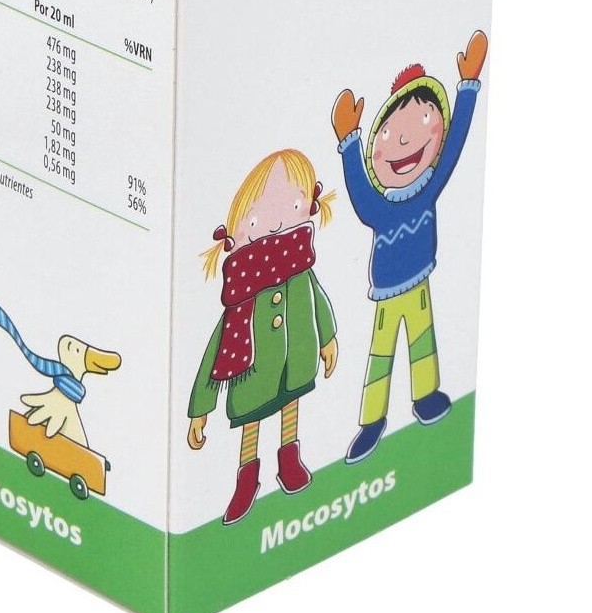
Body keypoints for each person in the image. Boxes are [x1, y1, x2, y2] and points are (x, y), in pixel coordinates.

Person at [332, 29, 487, 464]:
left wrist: (468, 87)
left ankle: (425, 396)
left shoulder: (428, 186)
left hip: (418, 279)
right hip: (388, 289)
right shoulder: (381, 208)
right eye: (388, 134)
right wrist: (350, 143)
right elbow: (360, 197)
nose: (402, 142)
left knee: (423, 340)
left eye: (421, 124)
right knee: (380, 355)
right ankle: (372, 421)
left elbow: (455, 146)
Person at [187, 150, 338, 525]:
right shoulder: (242, 291)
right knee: (251, 425)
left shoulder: (300, 266)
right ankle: (247, 480)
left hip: (295, 363)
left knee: (291, 407)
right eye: (256, 218)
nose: (277, 221)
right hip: (254, 376)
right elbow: (216, 348)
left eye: (294, 204)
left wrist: (328, 338)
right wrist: (200, 407)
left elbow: (318, 300)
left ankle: (289, 460)